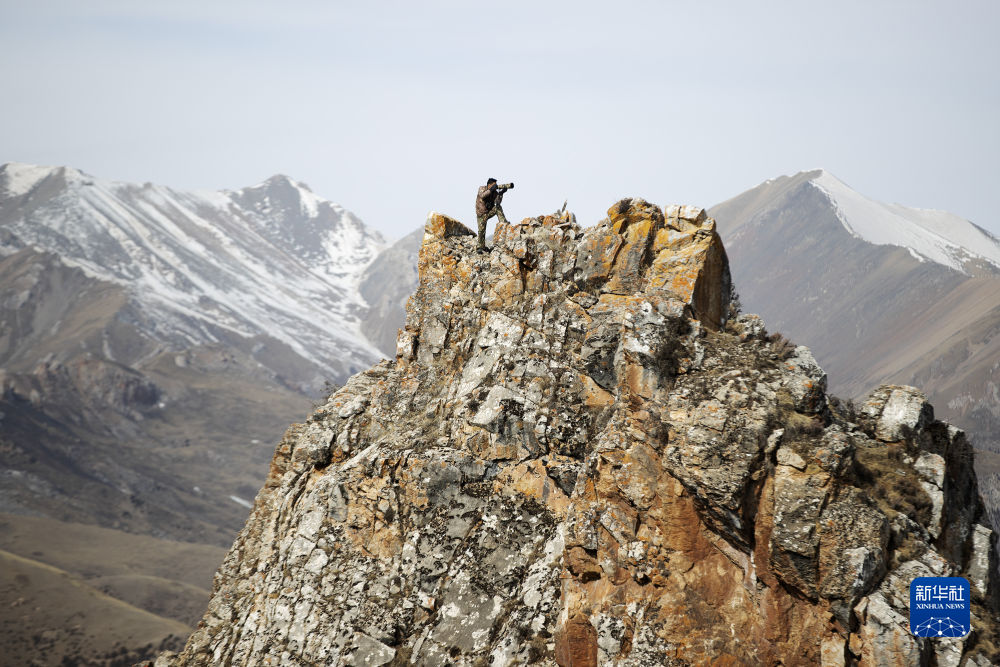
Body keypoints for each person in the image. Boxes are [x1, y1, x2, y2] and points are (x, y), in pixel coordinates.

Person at [475, 178, 513, 252]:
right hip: (481, 214)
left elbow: (497, 202)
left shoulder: (494, 192)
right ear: (489, 185)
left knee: (497, 207)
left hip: (489, 212)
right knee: (481, 230)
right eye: (493, 185)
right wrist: (491, 190)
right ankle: (480, 247)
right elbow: (482, 196)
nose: (495, 186)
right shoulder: (482, 188)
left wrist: (501, 193)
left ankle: (503, 223)